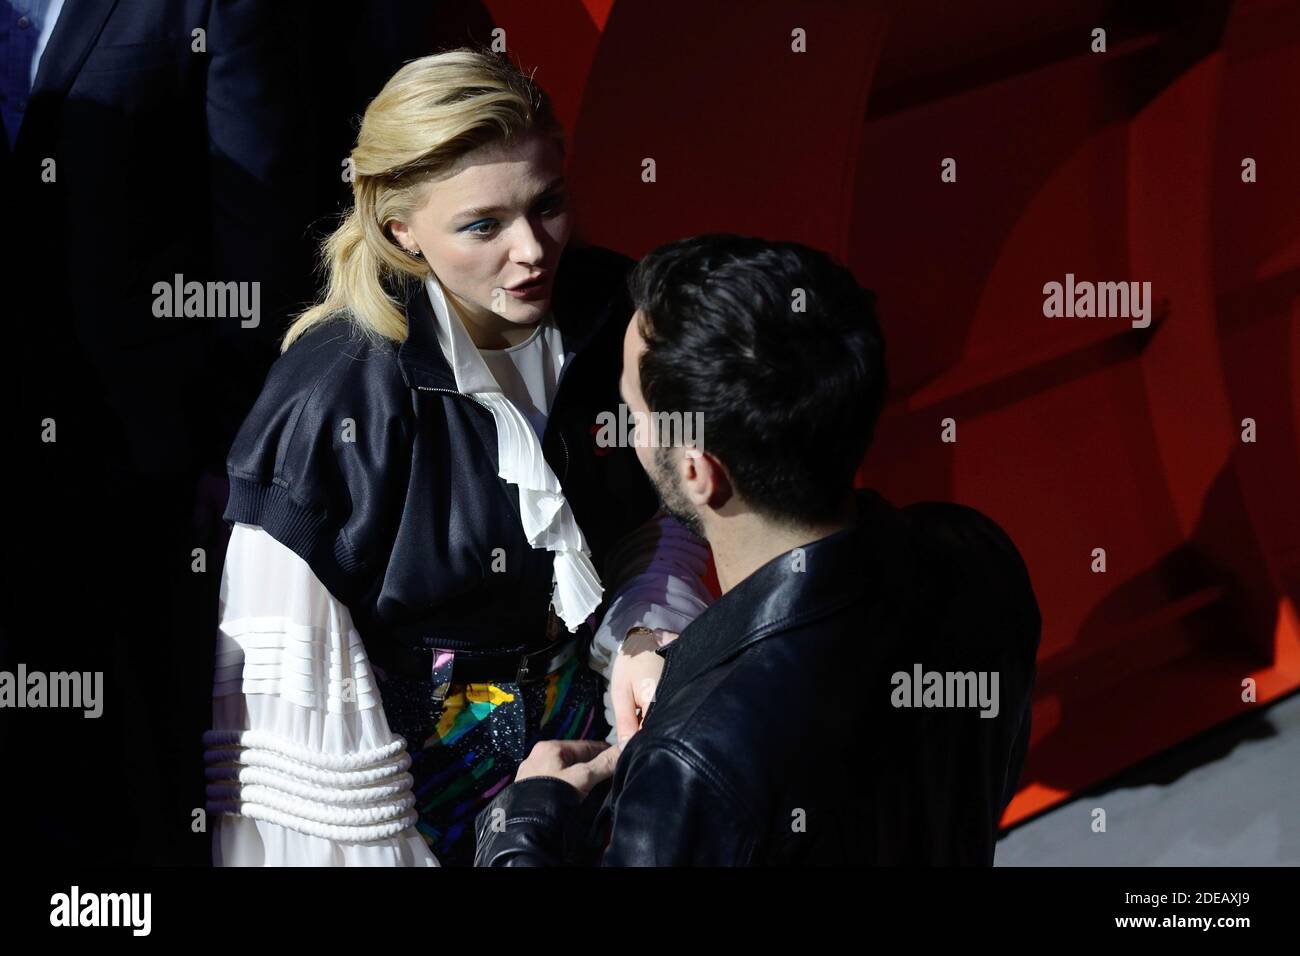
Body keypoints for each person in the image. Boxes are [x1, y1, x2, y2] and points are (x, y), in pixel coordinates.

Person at [203, 49, 712, 866]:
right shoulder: (335, 400)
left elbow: (654, 522)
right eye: (483, 226)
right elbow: (303, 743)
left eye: (547, 205)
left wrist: (646, 636)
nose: (532, 251)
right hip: (412, 812)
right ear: (400, 227)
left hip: (602, 755)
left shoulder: (615, 313)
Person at [474, 234, 1042, 866]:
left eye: (633, 414)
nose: (625, 433)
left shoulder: (691, 759)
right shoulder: (974, 555)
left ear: (698, 472)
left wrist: (522, 821)